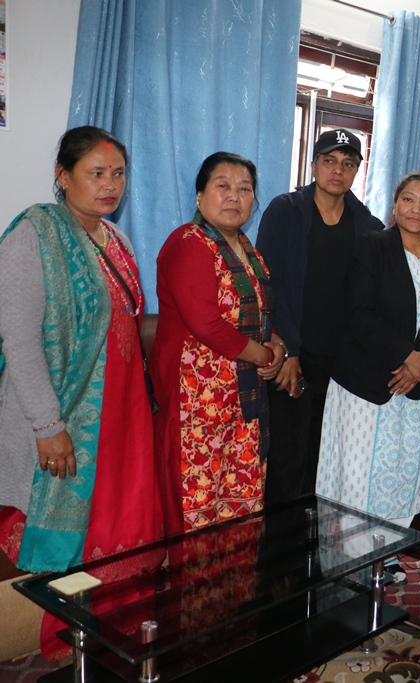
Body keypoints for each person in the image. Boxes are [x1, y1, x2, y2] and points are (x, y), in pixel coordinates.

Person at [0, 125, 162, 657]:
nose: (110, 185)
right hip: (68, 414)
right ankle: (66, 637)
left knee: (119, 524)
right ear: (63, 176)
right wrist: (48, 426)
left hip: (124, 414)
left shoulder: (119, 241)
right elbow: (19, 339)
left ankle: (119, 628)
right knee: (75, 531)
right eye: (96, 173)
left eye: (118, 174)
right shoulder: (35, 233)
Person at [316, 172, 420, 528]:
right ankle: (349, 555)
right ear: (395, 205)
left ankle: (389, 551)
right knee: (357, 477)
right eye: (408, 199)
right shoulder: (372, 245)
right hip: (366, 385)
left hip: (418, 389)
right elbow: (359, 312)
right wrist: (407, 358)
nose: (416, 209)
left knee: (405, 474)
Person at [150, 152, 285, 534]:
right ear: (199, 195)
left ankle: (233, 574)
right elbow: (206, 323)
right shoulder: (188, 243)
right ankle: (191, 575)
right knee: (197, 502)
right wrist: (264, 356)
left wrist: (278, 346)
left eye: (245, 189)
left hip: (241, 400)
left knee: (238, 499)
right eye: (222, 186)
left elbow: (259, 314)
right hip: (197, 400)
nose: (234, 196)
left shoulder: (246, 249)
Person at [255, 129, 384, 507]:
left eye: (348, 164)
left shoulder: (369, 227)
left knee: (329, 461)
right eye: (329, 161)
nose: (338, 171)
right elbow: (270, 282)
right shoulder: (285, 211)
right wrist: (289, 349)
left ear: (357, 171)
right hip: (294, 359)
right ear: (313, 165)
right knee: (286, 462)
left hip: (343, 365)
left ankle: (319, 543)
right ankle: (283, 545)